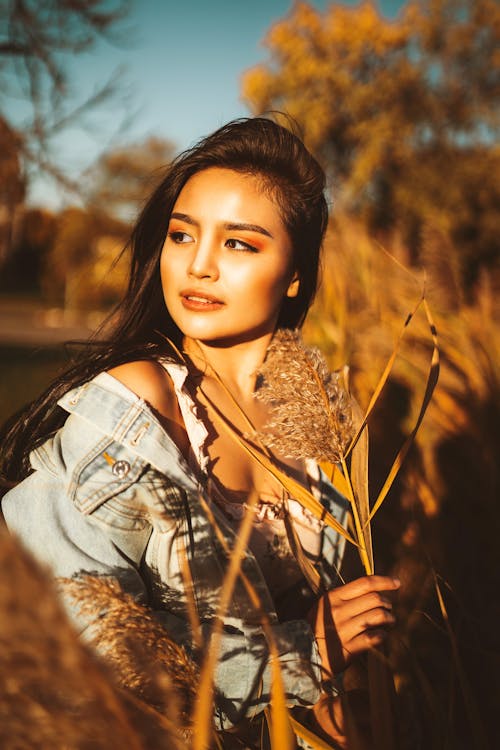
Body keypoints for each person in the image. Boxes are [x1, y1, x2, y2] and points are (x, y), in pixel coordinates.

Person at [0, 118, 399, 747]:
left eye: (239, 243)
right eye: (182, 234)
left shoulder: (320, 419)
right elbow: (74, 654)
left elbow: (338, 626)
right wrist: (304, 656)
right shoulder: (136, 405)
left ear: (295, 272)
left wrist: (337, 699)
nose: (199, 265)